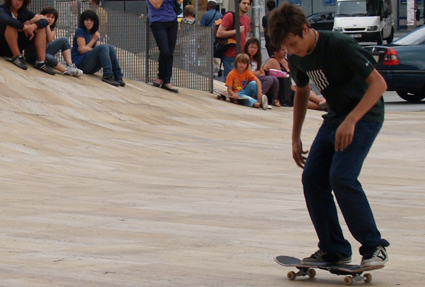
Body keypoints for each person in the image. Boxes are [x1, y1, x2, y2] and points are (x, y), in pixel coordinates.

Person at [268, 3, 389, 267]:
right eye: (286, 48)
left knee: (342, 177)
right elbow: (301, 92)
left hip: (365, 116)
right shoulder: (298, 58)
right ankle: (333, 248)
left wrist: (352, 120)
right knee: (312, 178)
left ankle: (374, 246)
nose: (292, 52)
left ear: (305, 29)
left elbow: (379, 84)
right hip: (335, 119)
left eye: (293, 44)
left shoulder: (339, 45)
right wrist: (295, 137)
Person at [263, 44, 327, 110]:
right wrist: (297, 89)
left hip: (290, 87)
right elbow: (283, 81)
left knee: (306, 89)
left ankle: (321, 101)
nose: (285, 52)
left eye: (285, 49)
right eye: (282, 50)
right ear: (275, 51)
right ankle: (323, 106)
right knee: (301, 95)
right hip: (282, 91)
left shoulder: (285, 60)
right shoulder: (273, 61)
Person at [24, 6, 82, 77]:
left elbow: (50, 39)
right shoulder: (37, 24)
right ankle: (66, 71)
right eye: (48, 16)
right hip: (33, 54)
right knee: (50, 58)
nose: (50, 19)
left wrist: (47, 25)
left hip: (46, 49)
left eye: (52, 18)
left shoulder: (53, 27)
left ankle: (70, 65)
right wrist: (43, 22)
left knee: (64, 40)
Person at [71, 10, 125, 86]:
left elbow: (95, 49)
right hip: (81, 64)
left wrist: (89, 48)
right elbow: (82, 51)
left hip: (92, 65)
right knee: (103, 47)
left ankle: (118, 75)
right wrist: (93, 39)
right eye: (86, 20)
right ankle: (107, 75)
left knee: (110, 48)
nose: (89, 22)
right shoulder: (80, 31)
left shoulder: (95, 33)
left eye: (91, 20)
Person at [0, 0, 55, 74]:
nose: (18, 2)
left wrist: (33, 26)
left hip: (18, 44)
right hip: (2, 45)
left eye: (20, 0)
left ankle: (41, 62)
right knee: (11, 25)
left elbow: (44, 21)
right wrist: (25, 27)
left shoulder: (24, 11)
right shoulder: (3, 9)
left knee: (40, 28)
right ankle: (17, 57)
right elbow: (7, 20)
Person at [148, 0, 180, 93]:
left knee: (170, 51)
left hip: (172, 20)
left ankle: (167, 80)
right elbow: (157, 5)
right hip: (158, 21)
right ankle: (160, 76)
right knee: (164, 50)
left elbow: (179, 3)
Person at [216, 0, 251, 81]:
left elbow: (246, 36)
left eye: (248, 4)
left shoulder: (247, 19)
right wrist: (236, 31)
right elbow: (219, 33)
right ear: (238, 4)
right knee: (230, 81)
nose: (246, 6)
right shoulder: (230, 16)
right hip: (230, 54)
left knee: (242, 81)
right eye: (244, 3)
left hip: (242, 55)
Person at [243, 38, 279, 107]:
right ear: (247, 47)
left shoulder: (257, 59)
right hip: (249, 79)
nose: (253, 49)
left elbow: (263, 73)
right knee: (269, 79)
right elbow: (249, 73)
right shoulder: (245, 58)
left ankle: (274, 99)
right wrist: (258, 72)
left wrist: (257, 72)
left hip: (257, 77)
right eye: (251, 47)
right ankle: (259, 98)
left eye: (255, 48)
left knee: (274, 79)